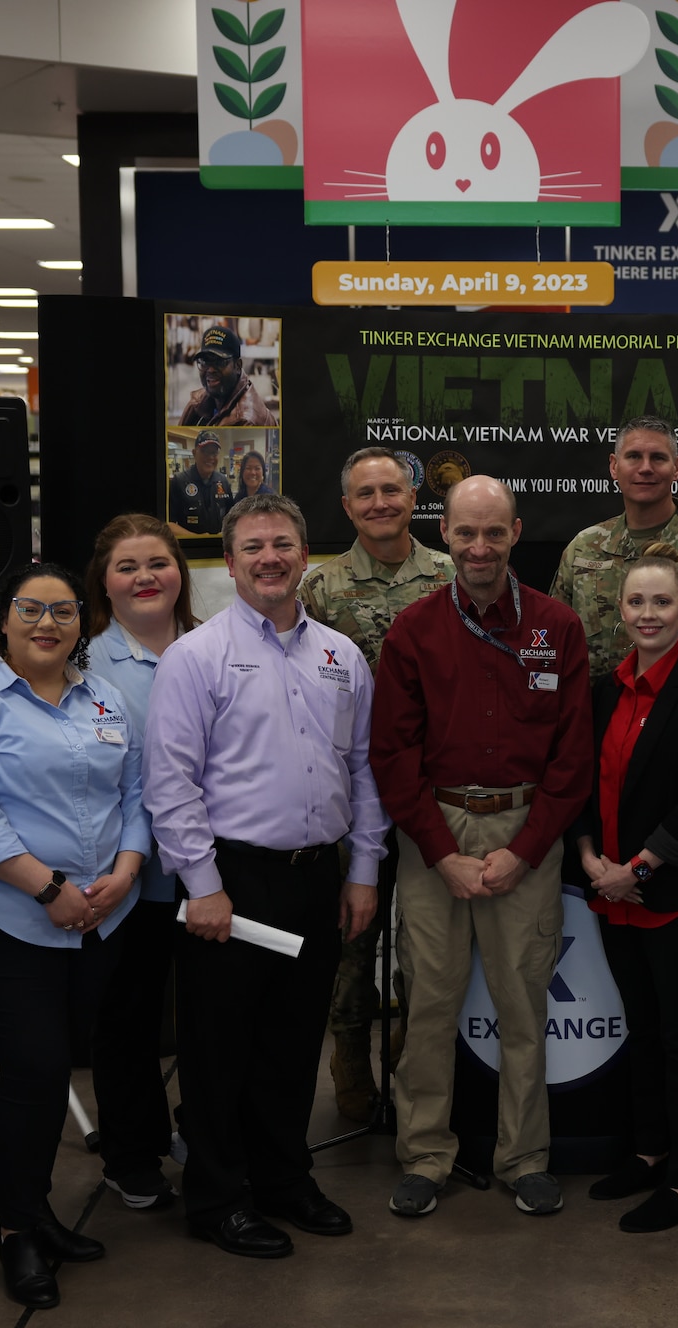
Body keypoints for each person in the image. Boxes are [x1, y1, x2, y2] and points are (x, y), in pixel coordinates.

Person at [146, 493, 387, 1257]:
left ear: (303, 553)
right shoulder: (197, 656)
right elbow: (171, 782)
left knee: (292, 1041)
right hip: (233, 884)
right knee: (219, 1049)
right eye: (253, 547)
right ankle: (218, 1197)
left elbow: (363, 768)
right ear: (231, 559)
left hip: (318, 877)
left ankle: (283, 1179)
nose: (270, 559)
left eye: (282, 543)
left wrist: (364, 870)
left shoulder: (339, 656)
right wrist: (202, 885)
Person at [0, 563, 150, 1310]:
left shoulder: (107, 697)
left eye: (62, 611)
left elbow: (137, 794)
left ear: (81, 622)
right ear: (2, 620)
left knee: (55, 1072)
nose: (47, 623)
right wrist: (49, 889)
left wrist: (124, 872)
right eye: (30, 609)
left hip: (99, 918)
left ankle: (41, 1214)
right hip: (6, 918)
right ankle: (17, 1233)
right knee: (36, 1067)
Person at [370, 476, 593, 1220]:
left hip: (527, 834)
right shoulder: (414, 631)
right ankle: (426, 1155)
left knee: (524, 1008)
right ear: (445, 531)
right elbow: (392, 755)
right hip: (436, 835)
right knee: (428, 1004)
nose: (479, 547)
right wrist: (442, 853)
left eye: (493, 533)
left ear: (516, 532)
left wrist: (525, 851)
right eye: (466, 533)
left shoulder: (557, 628)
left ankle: (523, 1158)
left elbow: (572, 760)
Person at [574, 550, 678, 1233]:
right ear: (620, 610)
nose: (647, 615)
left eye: (661, 603)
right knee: (639, 1031)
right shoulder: (604, 690)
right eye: (636, 603)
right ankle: (647, 1151)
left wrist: (635, 869)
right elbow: (583, 781)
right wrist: (588, 858)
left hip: (668, 897)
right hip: (608, 891)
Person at [303, 445, 457, 1121]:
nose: (380, 504)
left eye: (391, 491)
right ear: (347, 507)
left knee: (428, 942)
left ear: (414, 497)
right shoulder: (320, 590)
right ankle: (349, 1062)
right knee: (351, 941)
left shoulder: (451, 577)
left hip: (434, 794)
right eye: (364, 494)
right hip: (350, 795)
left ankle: (409, 1055)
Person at [82, 514, 199, 1214]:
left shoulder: (216, 645)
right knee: (127, 1019)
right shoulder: (84, 659)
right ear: (104, 581)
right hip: (129, 878)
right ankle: (131, 1152)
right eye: (127, 566)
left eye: (157, 562)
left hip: (214, 874)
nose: (144, 577)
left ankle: (199, 1129)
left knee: (209, 1019)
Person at [549, 414, 678, 679]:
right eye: (633, 457)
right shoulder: (582, 549)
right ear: (614, 466)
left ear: (677, 467)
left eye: (658, 458)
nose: (645, 468)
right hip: (596, 713)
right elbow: (554, 641)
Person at [178, 324, 277, 427]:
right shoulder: (198, 402)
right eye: (205, 362)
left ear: (237, 366)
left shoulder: (247, 420)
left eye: (220, 362)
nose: (211, 370)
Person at [169, 432, 236, 535]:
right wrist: (197, 538)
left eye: (214, 453)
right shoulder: (179, 481)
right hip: (191, 549)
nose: (210, 457)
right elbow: (169, 524)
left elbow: (232, 517)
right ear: (194, 453)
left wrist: (225, 533)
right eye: (205, 452)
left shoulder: (222, 481)